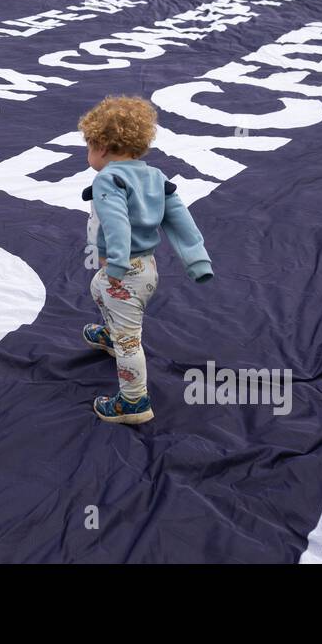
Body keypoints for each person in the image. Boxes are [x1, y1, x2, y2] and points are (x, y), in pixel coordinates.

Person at [78, 95, 213, 425]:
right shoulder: (155, 177)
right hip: (147, 269)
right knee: (98, 288)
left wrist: (119, 263)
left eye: (89, 146)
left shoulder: (108, 180)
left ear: (103, 146)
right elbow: (180, 220)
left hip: (125, 271)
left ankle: (133, 401)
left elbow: (117, 223)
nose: (88, 154)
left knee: (129, 340)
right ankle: (112, 335)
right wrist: (198, 261)